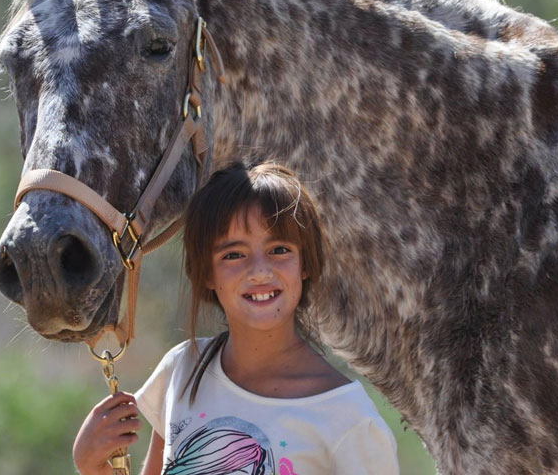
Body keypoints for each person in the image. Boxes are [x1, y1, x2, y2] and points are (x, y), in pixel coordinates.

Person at [72, 161, 399, 475]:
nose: (259, 271)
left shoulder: (349, 419)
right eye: (234, 254)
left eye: (280, 250)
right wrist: (93, 466)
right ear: (207, 274)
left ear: (306, 263)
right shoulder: (183, 370)